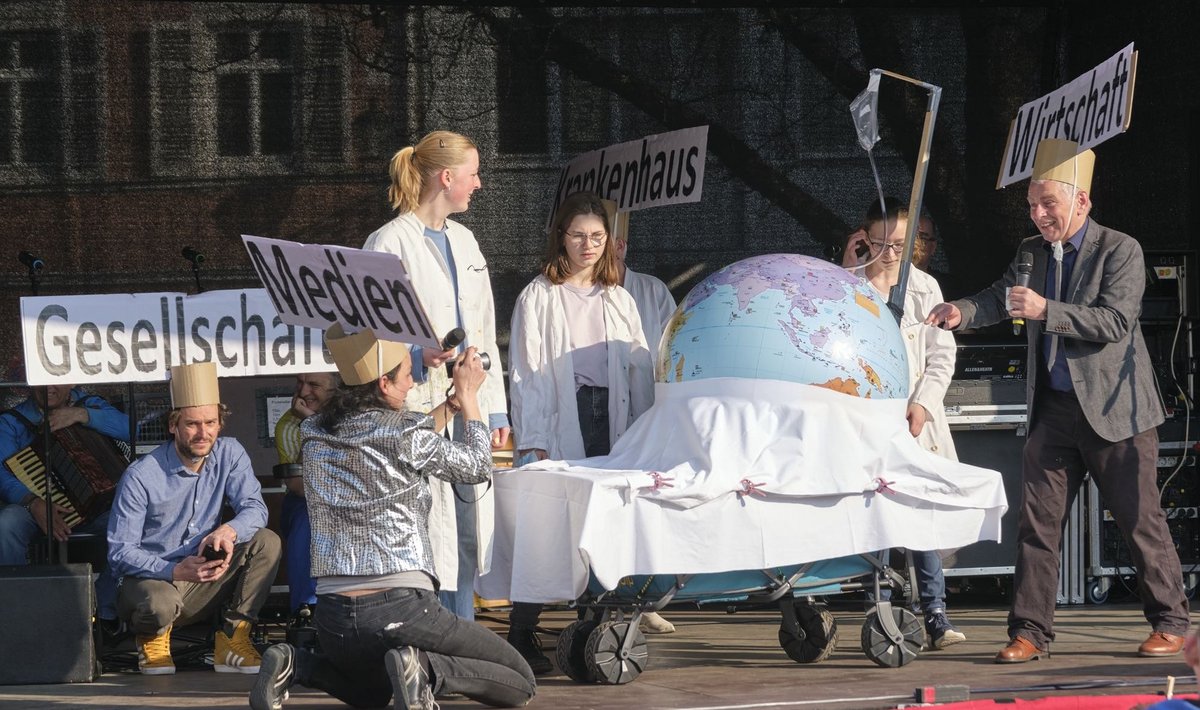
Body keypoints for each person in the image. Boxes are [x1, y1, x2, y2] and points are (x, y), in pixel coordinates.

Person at [925, 138, 1190, 662]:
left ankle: (1172, 622)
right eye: (1032, 204)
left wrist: (1048, 309)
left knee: (1140, 520)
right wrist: (960, 312)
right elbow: (1001, 297)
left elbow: (1115, 323)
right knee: (1037, 524)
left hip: (1118, 412)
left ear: (1082, 202)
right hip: (1054, 409)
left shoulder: (1121, 249)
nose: (1039, 214)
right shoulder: (1030, 251)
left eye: (1048, 203)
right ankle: (1029, 632)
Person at [249, 324, 535, 710]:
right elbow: (475, 467)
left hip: (333, 616)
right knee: (520, 682)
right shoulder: (404, 430)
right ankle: (426, 670)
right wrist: (467, 398)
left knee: (374, 695)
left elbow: (394, 440)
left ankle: (297, 665)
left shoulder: (315, 431)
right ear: (384, 383)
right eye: (406, 376)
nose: (412, 385)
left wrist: (447, 407)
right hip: (402, 606)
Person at [363, 130, 509, 622]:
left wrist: (498, 409)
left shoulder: (466, 240)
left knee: (467, 527)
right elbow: (366, 335)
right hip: (418, 407)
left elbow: (485, 326)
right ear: (447, 178)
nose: (479, 184)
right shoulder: (389, 241)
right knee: (429, 531)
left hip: (469, 404)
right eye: (472, 175)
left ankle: (459, 632)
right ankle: (431, 640)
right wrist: (412, 351)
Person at [507, 191, 656, 673]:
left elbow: (638, 371)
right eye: (578, 236)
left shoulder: (619, 298)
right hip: (560, 417)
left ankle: (594, 624)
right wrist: (531, 438)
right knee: (548, 524)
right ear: (561, 238)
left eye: (597, 236)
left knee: (603, 523)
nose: (588, 245)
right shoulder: (539, 296)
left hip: (611, 419)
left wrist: (646, 431)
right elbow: (527, 372)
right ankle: (521, 632)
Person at [843, 198, 966, 650]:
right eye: (879, 244)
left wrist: (925, 404)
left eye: (899, 244)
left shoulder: (926, 287)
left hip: (912, 419)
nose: (891, 254)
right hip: (864, 419)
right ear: (862, 240)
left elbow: (941, 357)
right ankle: (881, 608)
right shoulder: (847, 285)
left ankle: (935, 612)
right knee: (872, 516)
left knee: (921, 515)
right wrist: (843, 270)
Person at [107, 362, 281, 675]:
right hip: (153, 582)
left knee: (266, 541)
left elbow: (255, 508)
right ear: (173, 425)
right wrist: (173, 569)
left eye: (210, 423)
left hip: (202, 582)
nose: (203, 433)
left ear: (220, 423)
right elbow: (119, 553)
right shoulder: (142, 476)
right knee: (158, 605)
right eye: (192, 424)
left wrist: (228, 531)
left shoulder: (230, 453)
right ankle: (152, 637)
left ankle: (232, 639)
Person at [602, 197, 677, 636]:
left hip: (648, 419)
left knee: (645, 513)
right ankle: (612, 604)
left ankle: (644, 598)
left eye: (604, 241)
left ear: (621, 246)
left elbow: (668, 351)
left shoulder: (651, 292)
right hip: (604, 421)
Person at [0, 382, 129, 625]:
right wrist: (32, 501)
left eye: (57, 381)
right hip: (34, 509)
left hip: (96, 510)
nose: (48, 388)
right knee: (5, 524)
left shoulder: (90, 404)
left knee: (130, 522)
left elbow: (133, 430)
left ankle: (103, 611)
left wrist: (82, 415)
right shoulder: (12, 421)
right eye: (41, 382)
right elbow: (0, 474)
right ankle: (17, 614)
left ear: (70, 381)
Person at [274, 371, 339, 619]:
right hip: (309, 501)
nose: (302, 392)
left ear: (336, 389)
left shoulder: (355, 418)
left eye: (313, 384)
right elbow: (299, 486)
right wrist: (311, 425)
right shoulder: (289, 424)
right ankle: (306, 611)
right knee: (308, 518)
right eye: (299, 383)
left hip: (353, 501)